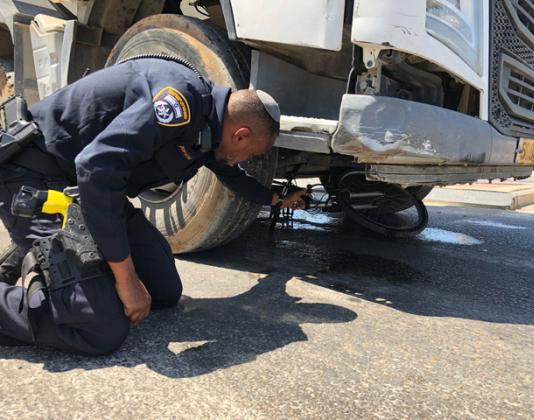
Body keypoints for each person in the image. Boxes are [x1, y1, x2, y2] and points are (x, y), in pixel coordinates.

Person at [0, 57, 307, 355]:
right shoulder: (180, 103)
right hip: (37, 180)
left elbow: (233, 177)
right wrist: (126, 279)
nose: (246, 160)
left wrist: (277, 199)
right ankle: (43, 262)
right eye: (250, 154)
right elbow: (97, 168)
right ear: (241, 136)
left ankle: (45, 258)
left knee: (163, 291)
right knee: (98, 325)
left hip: (86, 192)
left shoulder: (211, 128)